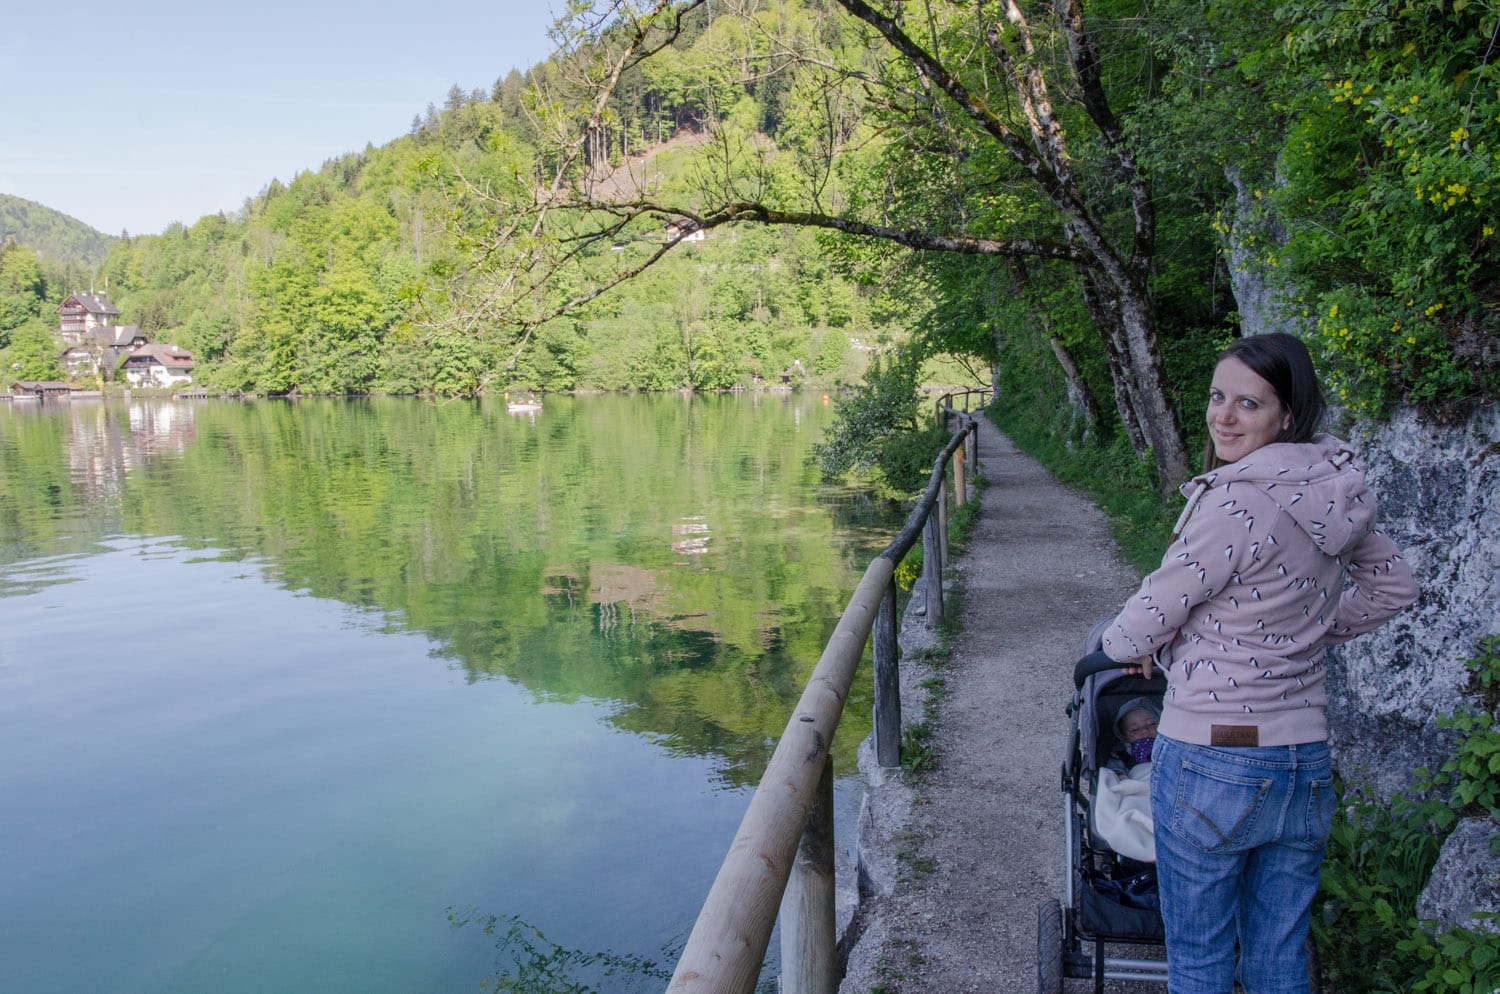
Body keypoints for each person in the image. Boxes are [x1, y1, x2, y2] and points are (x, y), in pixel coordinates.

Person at [1098, 332, 1418, 994]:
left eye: (1249, 404)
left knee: (1202, 956)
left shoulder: (1233, 501)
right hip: (1301, 762)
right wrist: (1310, 632)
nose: (1224, 416)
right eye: (1219, 397)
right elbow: (1394, 588)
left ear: (1288, 416)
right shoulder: (1334, 490)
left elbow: (1138, 628)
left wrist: (1123, 646)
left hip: (1214, 757)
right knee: (1277, 956)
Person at [1115, 697, 1160, 767]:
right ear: (1124, 736)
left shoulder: (1170, 747)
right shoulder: (1120, 756)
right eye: (1135, 729)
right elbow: (1113, 768)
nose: (1145, 731)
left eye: (1152, 724)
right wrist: (1120, 773)